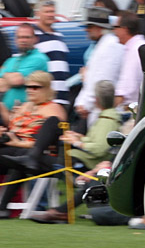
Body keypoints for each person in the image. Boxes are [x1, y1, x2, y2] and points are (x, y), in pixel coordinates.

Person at [30, 81, 123, 224]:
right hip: (84, 161)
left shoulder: (107, 120)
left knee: (40, 160)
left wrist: (77, 142)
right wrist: (80, 137)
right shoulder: (106, 118)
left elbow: (99, 148)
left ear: (97, 100)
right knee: (41, 159)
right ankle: (59, 210)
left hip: (83, 163)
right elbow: (98, 142)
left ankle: (58, 210)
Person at [0, 71, 68, 218]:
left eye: (35, 87)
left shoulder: (54, 109)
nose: (30, 90)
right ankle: (2, 207)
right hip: (16, 152)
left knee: (23, 159)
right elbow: (13, 133)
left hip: (42, 157)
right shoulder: (24, 106)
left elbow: (49, 143)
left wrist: (19, 143)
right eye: (28, 86)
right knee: (18, 159)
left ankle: (2, 207)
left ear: (47, 89)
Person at [72, 7, 123, 128]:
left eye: (89, 26)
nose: (86, 30)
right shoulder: (102, 45)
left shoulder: (110, 46)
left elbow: (102, 80)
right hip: (96, 110)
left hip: (103, 112)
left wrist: (85, 105)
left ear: (99, 28)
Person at [0, 24, 49, 111]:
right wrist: (9, 78)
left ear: (35, 39)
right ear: (15, 40)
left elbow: (17, 80)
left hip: (28, 115)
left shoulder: (39, 59)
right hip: (6, 114)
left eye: (27, 37)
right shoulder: (11, 60)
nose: (23, 40)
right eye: (20, 37)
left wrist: (5, 75)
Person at [33, 0, 71, 107]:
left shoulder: (60, 36)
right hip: (46, 99)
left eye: (52, 11)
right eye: (47, 12)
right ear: (37, 14)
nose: (51, 15)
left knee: (62, 125)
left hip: (63, 98)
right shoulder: (33, 36)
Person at [113, 11, 145, 109]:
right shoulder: (140, 46)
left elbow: (126, 89)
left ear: (125, 29)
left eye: (116, 27)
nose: (114, 31)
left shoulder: (135, 50)